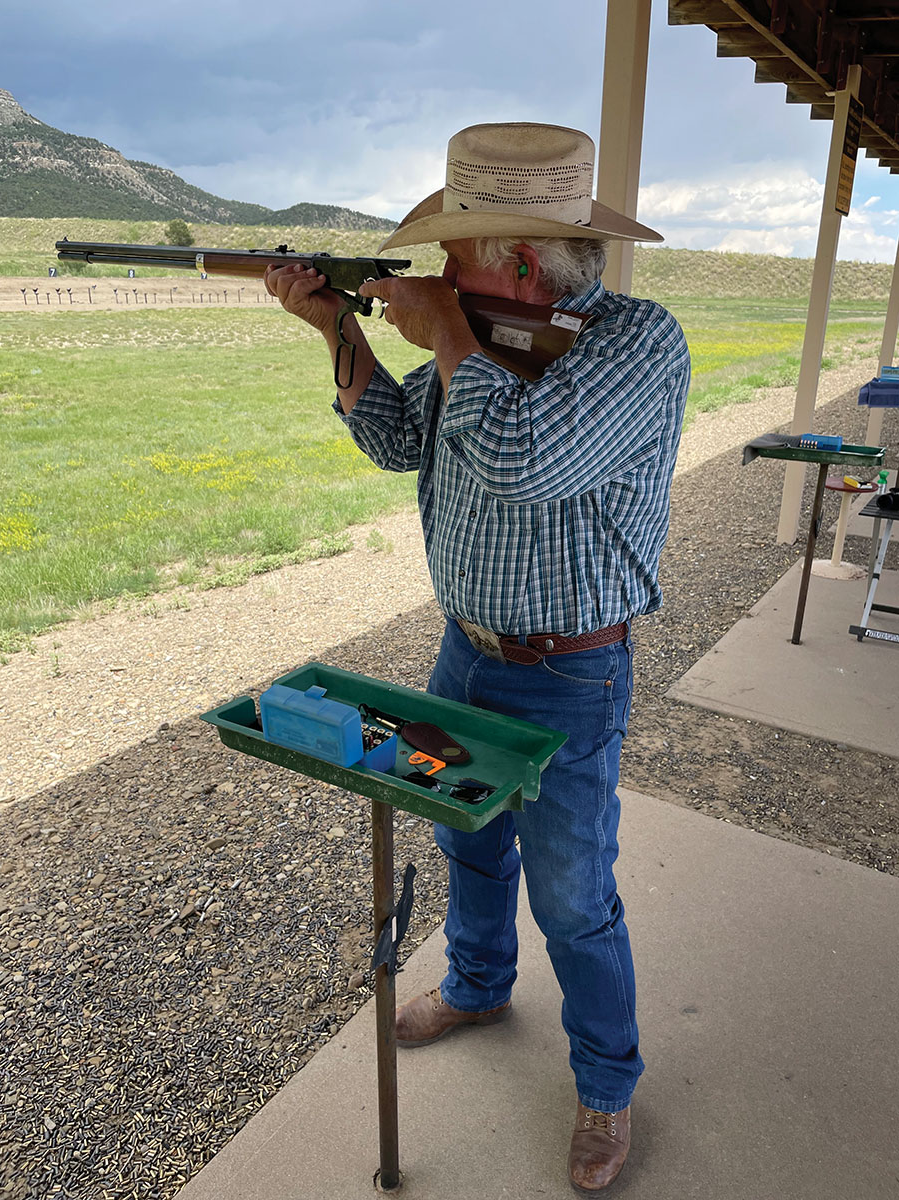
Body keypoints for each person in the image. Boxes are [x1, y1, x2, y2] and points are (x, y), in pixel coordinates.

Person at [266, 122, 690, 1194]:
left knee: (574, 895)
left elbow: (518, 460)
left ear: (510, 262)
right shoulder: (493, 328)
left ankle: (605, 1086)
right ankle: (477, 984)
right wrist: (338, 333)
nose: (437, 273)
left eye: (454, 255)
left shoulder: (635, 344)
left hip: (570, 673)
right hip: (467, 651)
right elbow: (402, 441)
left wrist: (449, 331)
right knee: (469, 848)